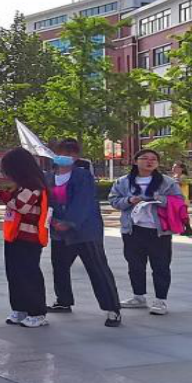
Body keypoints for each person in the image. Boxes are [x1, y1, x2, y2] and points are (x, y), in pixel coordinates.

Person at [46, 139, 121, 327]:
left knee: (97, 268)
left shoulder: (82, 175)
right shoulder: (49, 177)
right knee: (60, 267)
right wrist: (52, 221)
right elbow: (47, 201)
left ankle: (112, 309)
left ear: (77, 156)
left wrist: (70, 222)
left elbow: (84, 201)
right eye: (62, 153)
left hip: (85, 231)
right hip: (58, 231)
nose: (67, 157)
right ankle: (63, 300)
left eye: (71, 154)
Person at [109, 148, 182, 316]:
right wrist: (129, 200)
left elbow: (179, 201)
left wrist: (159, 198)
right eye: (145, 158)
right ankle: (138, 297)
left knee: (161, 266)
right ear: (135, 161)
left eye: (153, 159)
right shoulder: (123, 181)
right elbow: (113, 200)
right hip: (132, 230)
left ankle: (160, 300)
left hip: (159, 231)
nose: (149, 161)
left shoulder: (167, 182)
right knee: (135, 265)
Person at [0, 148, 51, 328]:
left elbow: (20, 205)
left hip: (30, 238)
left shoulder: (34, 186)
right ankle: (20, 308)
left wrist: (1, 194)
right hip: (14, 236)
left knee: (29, 274)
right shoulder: (20, 186)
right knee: (14, 274)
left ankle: (37, 312)